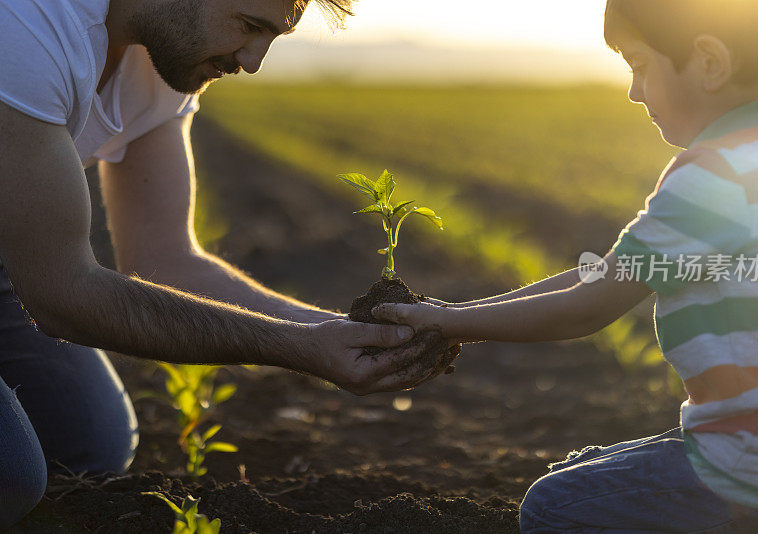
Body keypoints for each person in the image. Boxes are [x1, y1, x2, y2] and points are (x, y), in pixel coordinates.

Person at [0, 0, 454, 528]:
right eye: (248, 26)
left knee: (89, 440)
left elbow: (167, 259)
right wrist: (299, 348)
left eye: (272, 37)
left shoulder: (158, 63)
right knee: (12, 475)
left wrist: (340, 329)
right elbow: (63, 297)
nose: (254, 60)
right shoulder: (26, 31)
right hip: (39, 278)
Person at [373, 0, 758, 530]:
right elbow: (600, 273)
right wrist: (453, 312)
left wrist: (450, 322)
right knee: (581, 468)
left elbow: (586, 308)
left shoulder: (714, 175)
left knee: (553, 506)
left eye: (639, 66)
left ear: (710, 62)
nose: (633, 91)